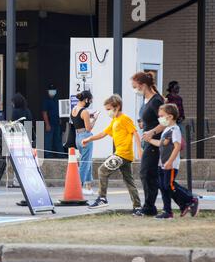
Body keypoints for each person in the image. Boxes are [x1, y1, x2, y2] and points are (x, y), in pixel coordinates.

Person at [82, 95, 142, 213]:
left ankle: (102, 198)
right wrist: (89, 139)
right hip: (123, 155)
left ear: (117, 107)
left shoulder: (124, 119)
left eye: (109, 109)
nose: (108, 112)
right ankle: (137, 207)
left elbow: (135, 132)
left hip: (122, 154)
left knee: (102, 170)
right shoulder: (115, 121)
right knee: (129, 181)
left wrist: (139, 150)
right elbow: (103, 133)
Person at [144, 104, 199, 219]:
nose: (160, 119)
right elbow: (162, 143)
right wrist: (149, 140)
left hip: (170, 164)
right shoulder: (166, 130)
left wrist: (169, 161)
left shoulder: (175, 130)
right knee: (163, 187)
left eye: (161, 116)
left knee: (169, 185)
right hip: (162, 164)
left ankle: (190, 199)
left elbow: (177, 147)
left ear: (170, 116)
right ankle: (167, 211)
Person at [132, 72, 165, 217]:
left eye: (134, 86)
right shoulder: (145, 100)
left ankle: (149, 206)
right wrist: (143, 123)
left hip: (155, 143)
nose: (134, 89)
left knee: (146, 173)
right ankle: (150, 207)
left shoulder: (156, 100)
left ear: (143, 85)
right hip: (148, 142)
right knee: (150, 175)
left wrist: (151, 132)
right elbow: (148, 118)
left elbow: (164, 122)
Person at [71, 91, 98, 196]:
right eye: (90, 100)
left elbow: (78, 121)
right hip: (86, 136)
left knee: (87, 161)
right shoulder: (85, 112)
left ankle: (88, 186)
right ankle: (79, 186)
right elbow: (89, 128)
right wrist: (94, 119)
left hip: (77, 137)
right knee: (85, 163)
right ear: (86, 99)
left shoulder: (74, 109)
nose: (90, 102)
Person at [42, 84, 63, 159]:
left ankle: (60, 155)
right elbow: (44, 113)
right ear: (47, 91)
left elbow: (59, 111)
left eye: (54, 90)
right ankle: (48, 155)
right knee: (48, 140)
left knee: (58, 139)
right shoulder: (46, 100)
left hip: (57, 122)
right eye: (51, 90)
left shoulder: (57, 99)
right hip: (50, 123)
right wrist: (47, 124)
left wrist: (60, 119)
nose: (52, 92)